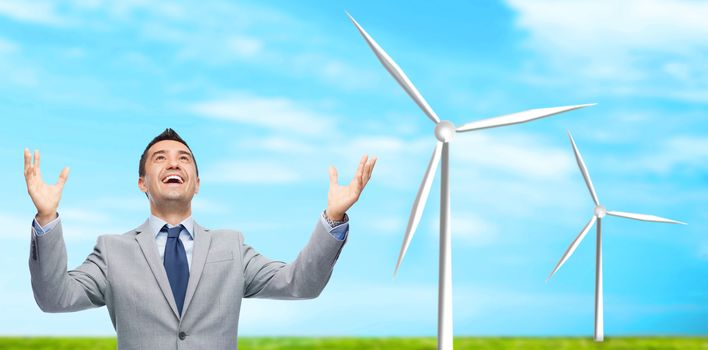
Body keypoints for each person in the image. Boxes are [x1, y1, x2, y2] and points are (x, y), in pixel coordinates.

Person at [25, 128, 376, 350]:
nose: (173, 164)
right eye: (159, 159)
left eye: (184, 159)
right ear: (142, 183)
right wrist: (46, 219)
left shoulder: (231, 247)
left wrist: (333, 218)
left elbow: (301, 284)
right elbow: (55, 298)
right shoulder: (112, 251)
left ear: (197, 182)